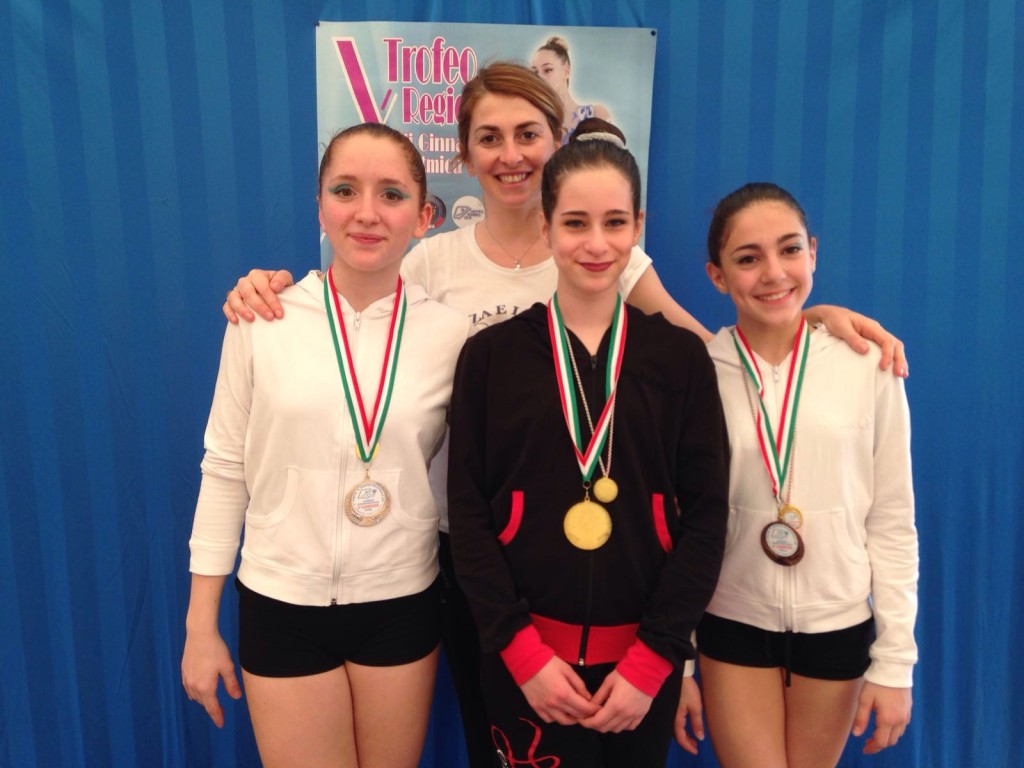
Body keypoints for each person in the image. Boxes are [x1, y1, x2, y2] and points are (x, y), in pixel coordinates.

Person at [220, 63, 906, 767]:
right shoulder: (432, 271)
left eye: (527, 133)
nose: (510, 153)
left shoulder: (650, 319)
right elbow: (359, 313)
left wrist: (808, 320)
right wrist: (268, 291)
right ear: (469, 159)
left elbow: (726, 365)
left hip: (632, 618)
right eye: (489, 137)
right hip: (473, 574)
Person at [180, 123, 469, 768]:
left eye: (391, 194)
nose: (367, 212)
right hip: (281, 602)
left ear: (424, 217)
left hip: (401, 601)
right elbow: (224, 469)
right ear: (320, 207)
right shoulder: (261, 319)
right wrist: (201, 625)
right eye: (345, 190)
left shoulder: (450, 337)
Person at [448, 123, 729, 767]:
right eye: (575, 223)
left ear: (638, 228)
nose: (596, 244)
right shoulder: (490, 358)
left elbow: (707, 518)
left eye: (615, 223)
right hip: (524, 667)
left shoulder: (681, 359)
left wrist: (656, 659)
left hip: (640, 673)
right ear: (545, 227)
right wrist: (520, 653)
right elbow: (467, 516)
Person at [693, 182, 918, 767]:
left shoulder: (869, 365)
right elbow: (678, 525)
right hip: (731, 620)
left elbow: (892, 521)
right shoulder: (697, 374)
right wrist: (682, 657)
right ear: (718, 276)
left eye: (790, 249)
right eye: (748, 258)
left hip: (836, 624)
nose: (774, 273)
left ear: (813, 252)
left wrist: (896, 660)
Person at [531, 36, 612, 145]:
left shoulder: (596, 114)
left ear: (566, 72)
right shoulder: (534, 122)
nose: (539, 77)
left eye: (548, 70)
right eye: (534, 72)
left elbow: (612, 155)